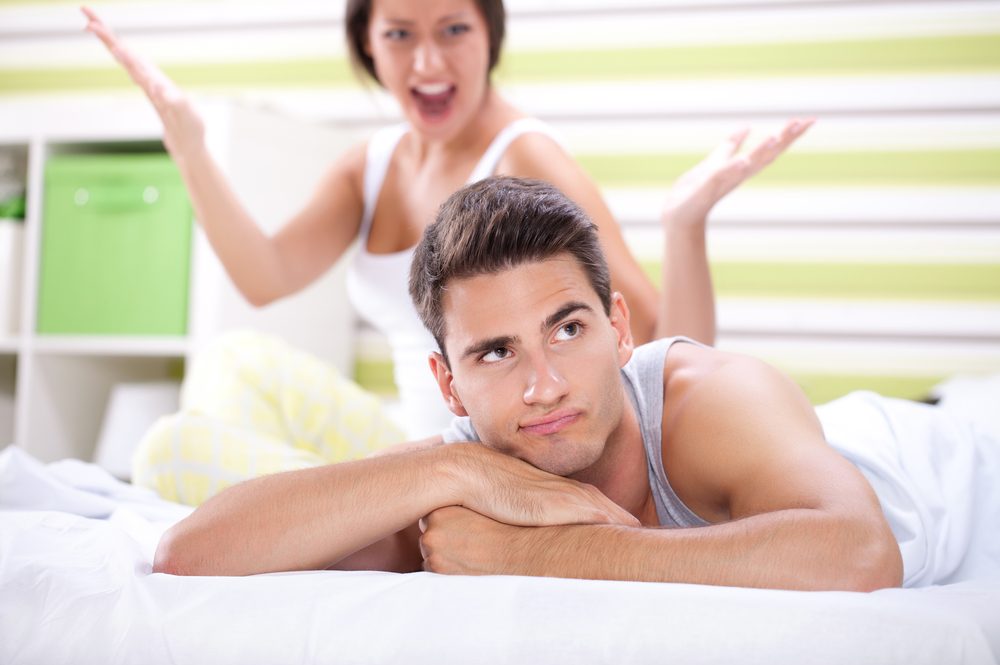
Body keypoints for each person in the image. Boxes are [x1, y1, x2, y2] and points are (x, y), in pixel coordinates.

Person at [153, 176, 1000, 590]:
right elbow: (188, 555)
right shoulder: (466, 467)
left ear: (620, 327)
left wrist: (541, 553)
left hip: (959, 460)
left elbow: (861, 553)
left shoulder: (711, 398)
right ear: (448, 386)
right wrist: (452, 470)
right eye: (495, 353)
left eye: (568, 328)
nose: (545, 384)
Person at [81, 0, 813, 460]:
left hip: (503, 457)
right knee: (235, 360)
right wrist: (188, 142)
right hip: (420, 442)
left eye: (453, 30)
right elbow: (263, 274)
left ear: (489, 34)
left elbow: (664, 349)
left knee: (172, 451)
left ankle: (342, 514)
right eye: (399, 34)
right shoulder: (369, 165)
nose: (427, 63)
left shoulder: (526, 156)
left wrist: (684, 227)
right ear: (369, 43)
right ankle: (343, 510)